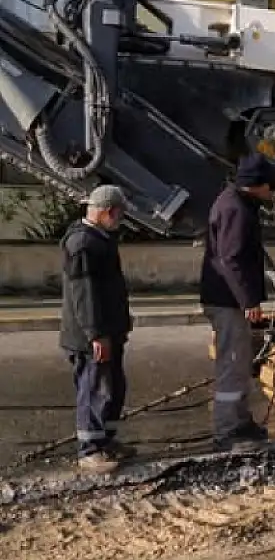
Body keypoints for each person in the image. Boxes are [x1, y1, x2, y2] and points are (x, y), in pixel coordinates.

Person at [200, 152, 275, 452]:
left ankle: (241, 421)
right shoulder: (235, 208)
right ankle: (227, 430)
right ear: (256, 185)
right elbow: (231, 258)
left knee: (240, 362)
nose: (272, 191)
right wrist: (248, 300)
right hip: (228, 300)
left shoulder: (235, 201)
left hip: (226, 298)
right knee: (232, 365)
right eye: (269, 186)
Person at [60, 184, 135, 473]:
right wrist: (97, 334)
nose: (120, 220)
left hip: (109, 332)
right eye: (118, 214)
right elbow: (85, 295)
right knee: (94, 391)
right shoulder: (82, 244)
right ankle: (90, 449)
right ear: (107, 211)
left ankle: (107, 441)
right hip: (90, 338)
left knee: (114, 389)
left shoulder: (98, 238)